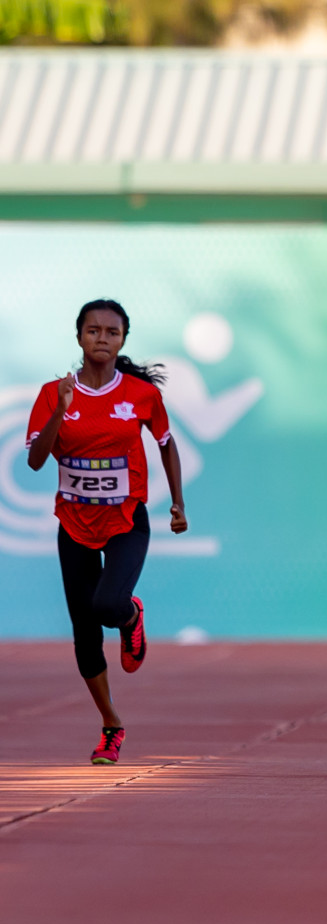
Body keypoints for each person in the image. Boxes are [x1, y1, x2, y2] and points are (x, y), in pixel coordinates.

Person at [25, 299, 188, 765]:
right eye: (92, 330)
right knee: (84, 633)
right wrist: (60, 409)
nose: (102, 338)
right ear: (79, 337)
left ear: (122, 341)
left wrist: (177, 502)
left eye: (111, 332)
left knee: (107, 604)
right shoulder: (52, 393)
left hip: (125, 520)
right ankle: (111, 724)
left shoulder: (140, 395)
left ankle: (130, 617)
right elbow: (37, 460)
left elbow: (166, 443)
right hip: (74, 523)